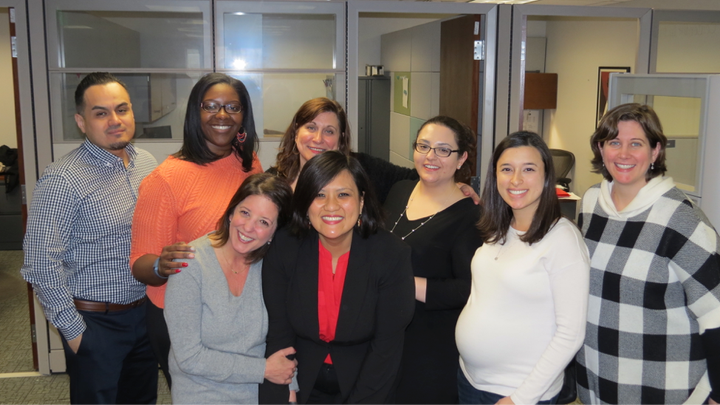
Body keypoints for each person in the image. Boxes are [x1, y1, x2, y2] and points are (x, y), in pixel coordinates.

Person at [21, 72, 158, 404]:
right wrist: (75, 332)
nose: (115, 121)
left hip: (145, 316)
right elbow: (39, 264)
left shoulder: (147, 164)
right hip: (96, 324)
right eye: (101, 113)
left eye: (122, 109)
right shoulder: (62, 179)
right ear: (81, 122)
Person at [577, 103, 720, 405]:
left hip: (664, 388)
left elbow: (715, 312)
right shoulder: (590, 202)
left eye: (636, 144)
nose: (624, 154)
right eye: (614, 142)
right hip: (596, 380)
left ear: (655, 152)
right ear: (601, 149)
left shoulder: (681, 218)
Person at [130, 72, 263, 387]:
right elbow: (139, 264)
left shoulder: (250, 164)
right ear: (195, 112)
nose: (221, 115)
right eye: (211, 106)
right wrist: (161, 265)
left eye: (232, 107)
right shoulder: (166, 179)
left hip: (238, 312)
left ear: (243, 117)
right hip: (184, 320)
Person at [260, 151, 415, 405]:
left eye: (343, 194)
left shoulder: (391, 255)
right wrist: (287, 386)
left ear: (362, 201)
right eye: (319, 195)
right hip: (298, 377)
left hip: (367, 381)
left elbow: (386, 349)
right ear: (305, 202)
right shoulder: (285, 247)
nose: (331, 206)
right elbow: (279, 329)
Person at [456, 131, 590, 405]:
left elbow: (571, 333)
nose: (516, 180)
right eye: (506, 169)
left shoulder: (562, 239)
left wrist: (521, 398)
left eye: (528, 169)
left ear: (546, 176)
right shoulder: (499, 228)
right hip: (470, 380)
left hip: (519, 393)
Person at [164, 173, 298, 404]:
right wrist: (262, 369)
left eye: (263, 222)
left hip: (258, 394)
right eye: (245, 213)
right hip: (201, 393)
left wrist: (291, 388)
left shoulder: (271, 267)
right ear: (231, 212)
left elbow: (283, 334)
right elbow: (189, 357)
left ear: (274, 233)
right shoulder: (191, 264)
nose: (248, 227)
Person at [383, 116, 483, 404]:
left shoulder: (470, 216)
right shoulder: (399, 190)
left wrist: (402, 283)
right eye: (423, 146)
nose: (431, 156)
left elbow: (468, 288)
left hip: (430, 347)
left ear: (462, 158)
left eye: (443, 150)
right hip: (388, 336)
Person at [268, 97, 418, 203]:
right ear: (296, 132)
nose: (318, 138)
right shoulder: (273, 182)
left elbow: (415, 179)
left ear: (341, 139)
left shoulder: (364, 169)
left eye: (329, 131)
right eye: (311, 128)